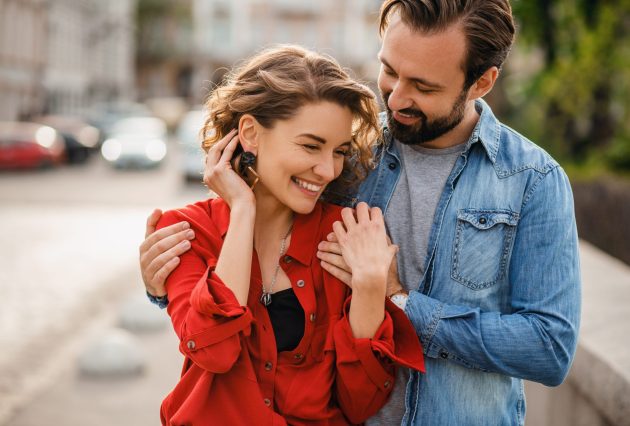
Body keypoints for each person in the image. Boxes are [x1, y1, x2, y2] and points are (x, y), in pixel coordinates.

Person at [141, 1, 581, 425]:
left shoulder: (532, 180)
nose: (396, 98)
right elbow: (262, 240)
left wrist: (397, 300)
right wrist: (168, 281)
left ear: (481, 82)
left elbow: (549, 348)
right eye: (389, 71)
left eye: (424, 86)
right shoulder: (352, 158)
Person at [147, 44, 425, 425]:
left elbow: (359, 401)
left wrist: (372, 287)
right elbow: (215, 352)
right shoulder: (186, 232)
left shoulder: (345, 235)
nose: (327, 170)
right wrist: (242, 210)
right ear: (250, 134)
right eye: (310, 146)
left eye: (339, 151)